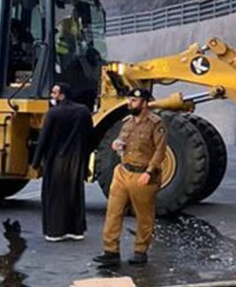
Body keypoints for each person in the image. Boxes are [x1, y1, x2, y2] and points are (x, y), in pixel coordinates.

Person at [94, 88, 166, 266]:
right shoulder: (127, 122)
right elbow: (121, 140)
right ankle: (110, 250)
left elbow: (160, 150)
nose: (130, 103)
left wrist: (149, 172)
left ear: (144, 103)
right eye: (130, 100)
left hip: (142, 174)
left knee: (144, 216)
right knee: (113, 212)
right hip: (123, 171)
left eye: (134, 101)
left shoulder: (155, 123)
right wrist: (117, 144)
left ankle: (140, 251)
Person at [31, 83, 94, 242]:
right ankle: (76, 230)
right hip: (77, 159)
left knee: (55, 196)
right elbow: (91, 136)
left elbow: (43, 139)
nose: (52, 95)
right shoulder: (83, 111)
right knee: (75, 193)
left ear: (62, 94)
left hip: (56, 159)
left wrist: (36, 162)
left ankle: (55, 231)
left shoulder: (53, 113)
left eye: (54, 92)